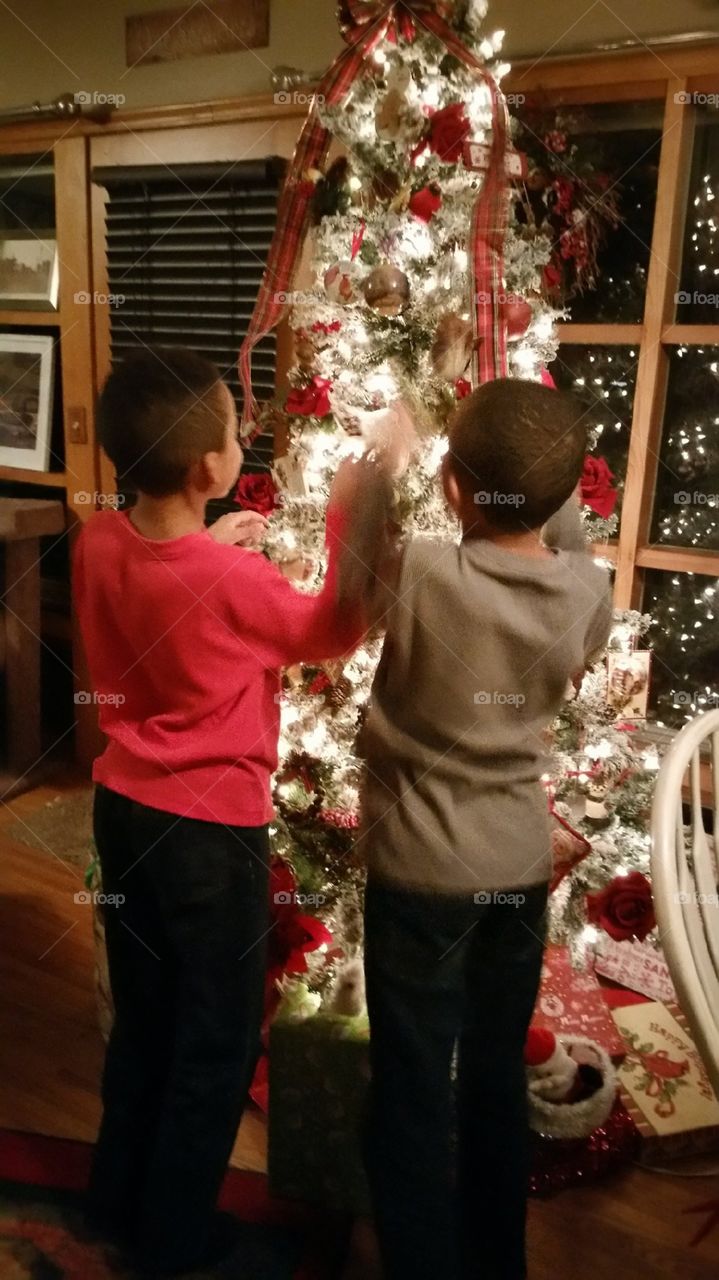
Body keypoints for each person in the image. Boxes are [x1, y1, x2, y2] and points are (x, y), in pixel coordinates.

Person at [73, 346, 364, 1276]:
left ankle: (113, 1199)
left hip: (123, 813)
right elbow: (335, 628)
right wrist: (358, 498)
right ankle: (173, 1238)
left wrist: (213, 544)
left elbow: (165, 570)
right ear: (209, 468)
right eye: (236, 432)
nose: (243, 440)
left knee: (149, 1020)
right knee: (217, 1037)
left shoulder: (97, 541)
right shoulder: (234, 585)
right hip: (208, 836)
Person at [344, 378, 612, 1280]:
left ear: (452, 490)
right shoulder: (586, 590)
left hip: (418, 875)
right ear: (566, 495)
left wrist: (386, 458)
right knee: (495, 1075)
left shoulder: (422, 568)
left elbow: (352, 570)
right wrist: (543, 476)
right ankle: (497, 1260)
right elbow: (557, 534)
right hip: (514, 873)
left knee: (413, 1084)